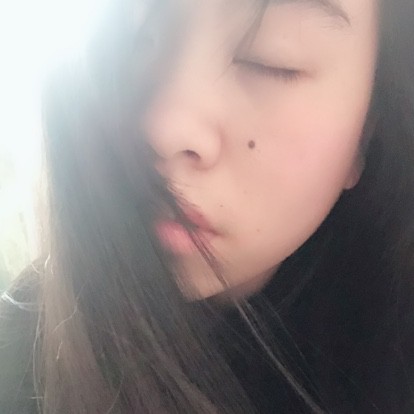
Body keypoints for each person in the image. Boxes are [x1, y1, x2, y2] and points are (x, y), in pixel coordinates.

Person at [1, 0, 414, 412]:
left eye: (269, 59)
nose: (162, 127)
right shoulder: (18, 353)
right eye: (131, 38)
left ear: (370, 126)